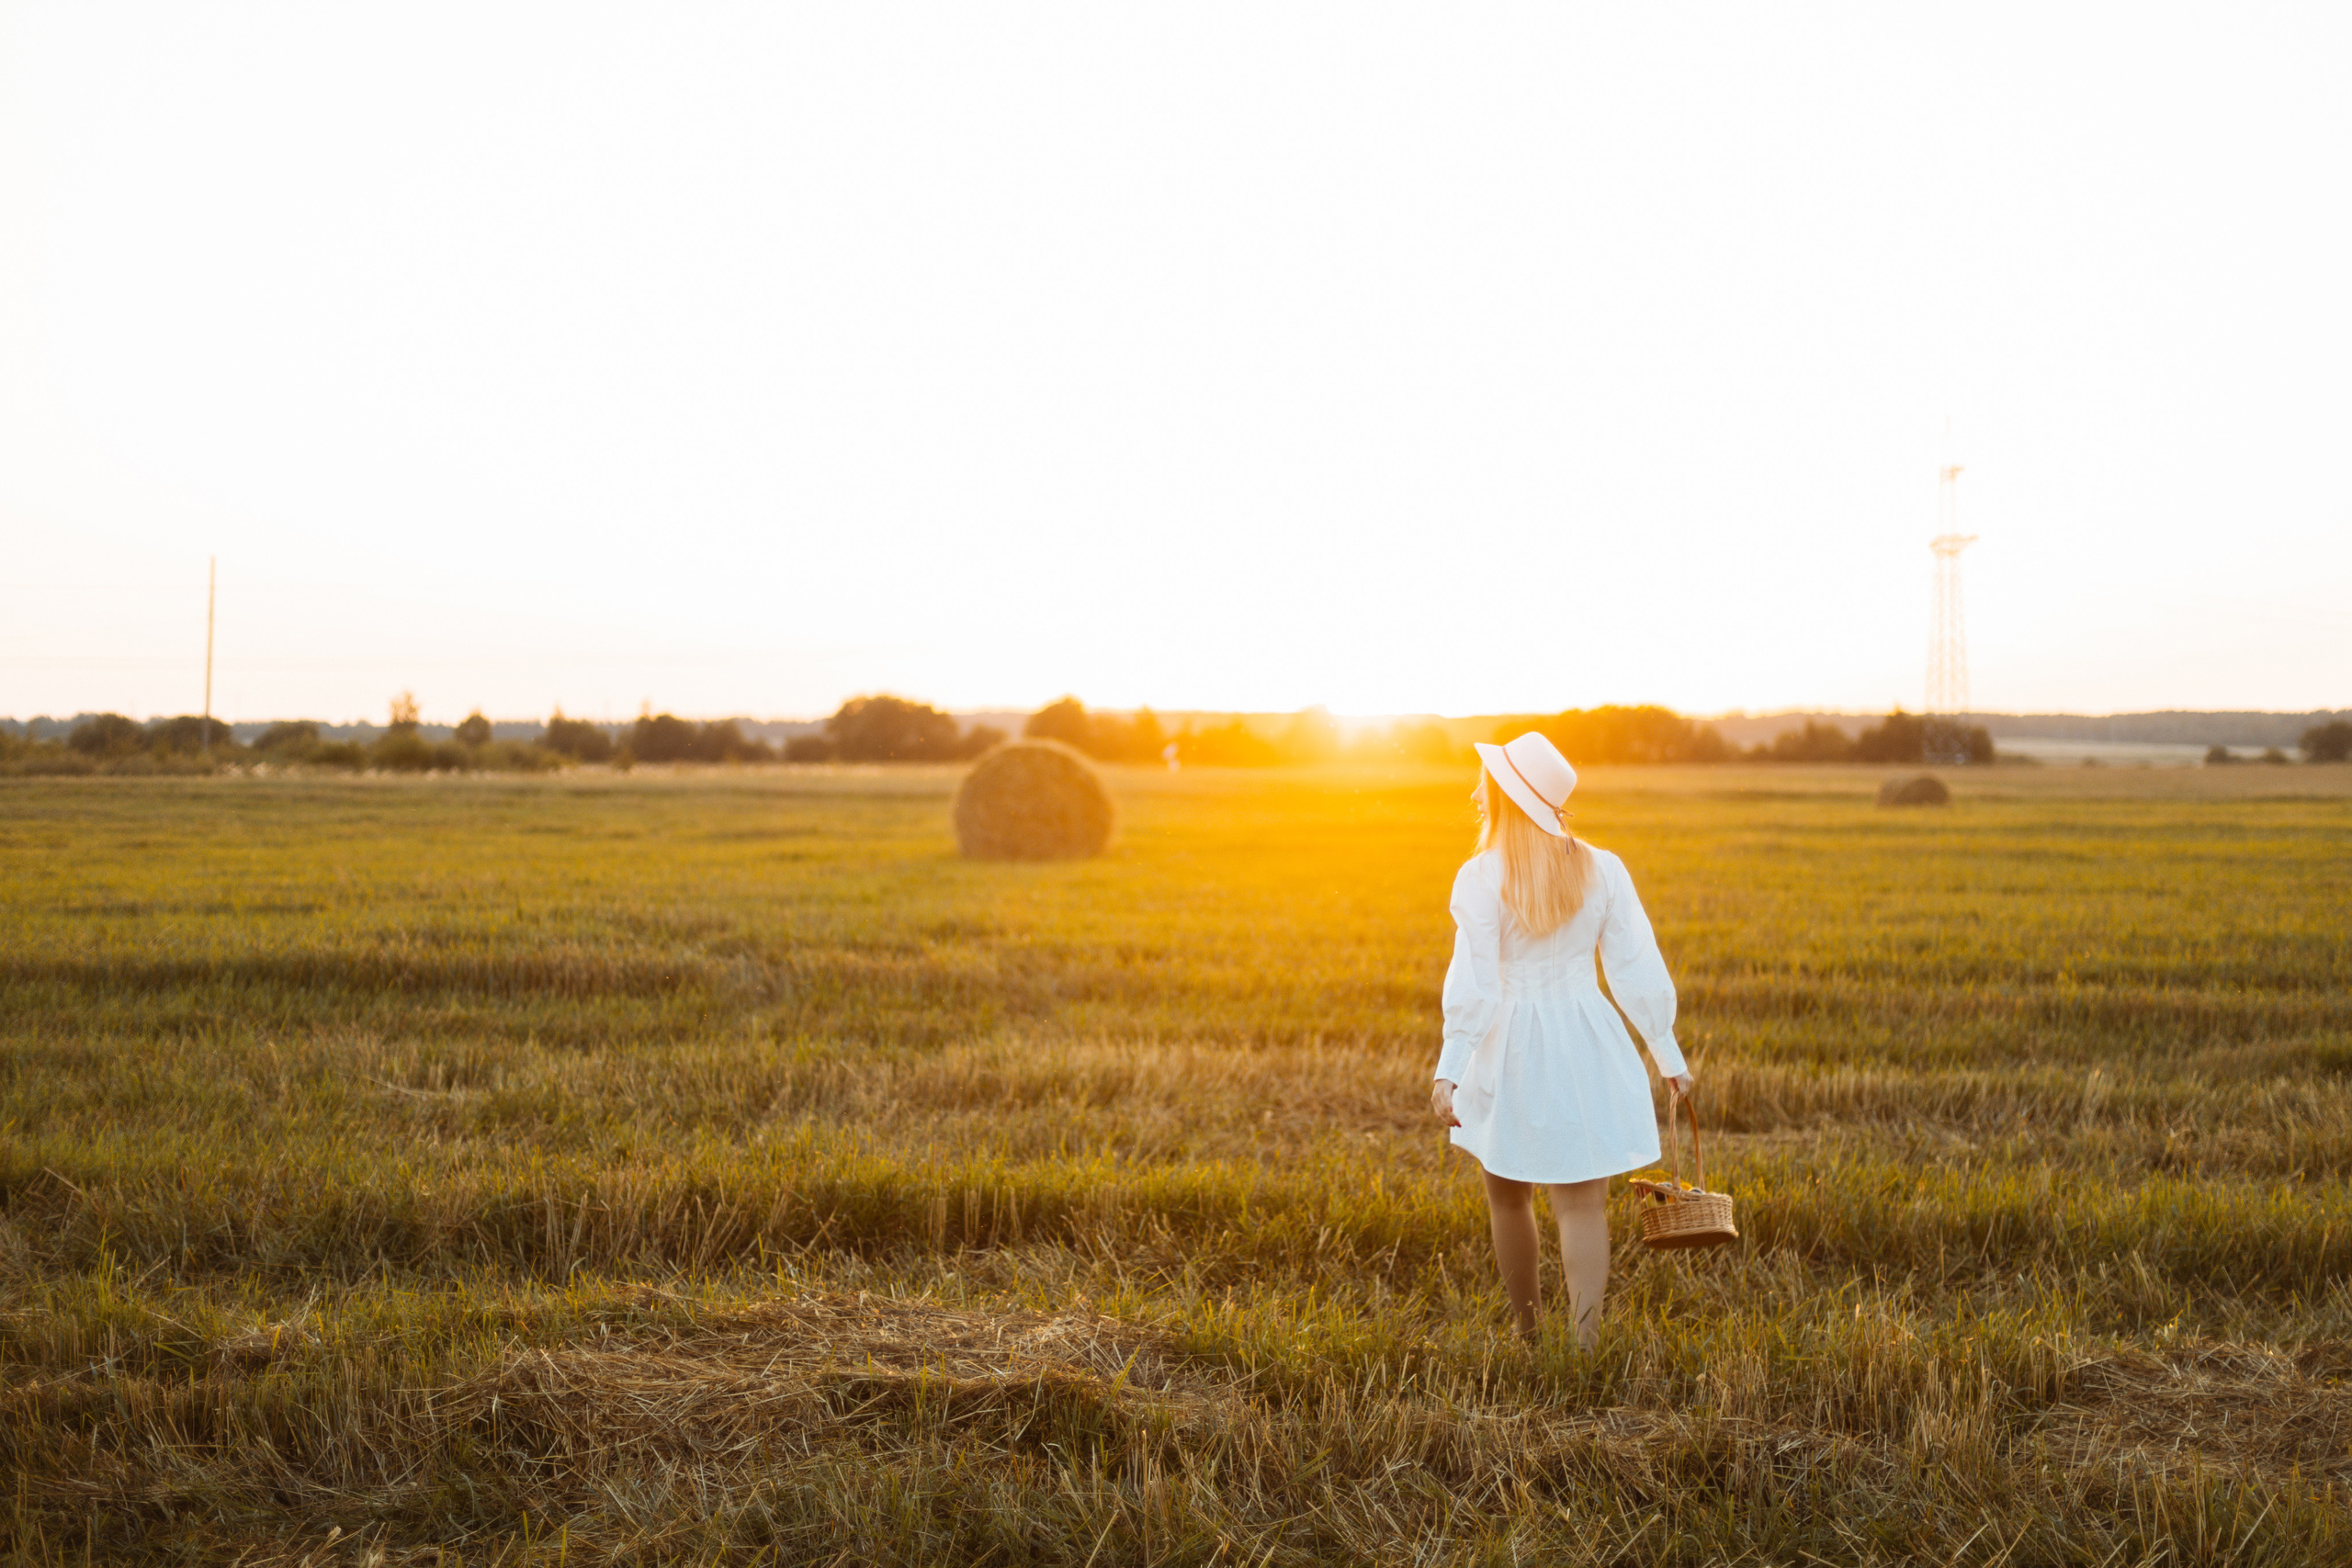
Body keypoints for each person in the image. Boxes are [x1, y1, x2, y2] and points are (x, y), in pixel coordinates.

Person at [1429, 732, 1693, 1346]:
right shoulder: (1604, 867)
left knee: (1508, 1199)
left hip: (1508, 1046)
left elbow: (1476, 981)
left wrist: (1453, 1063)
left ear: (1505, 794)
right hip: (1584, 1040)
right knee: (1581, 1206)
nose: (1475, 790)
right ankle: (1585, 1347)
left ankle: (1528, 1335)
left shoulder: (1480, 874)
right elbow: (1635, 966)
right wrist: (1665, 1050)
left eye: (1484, 779)